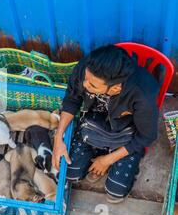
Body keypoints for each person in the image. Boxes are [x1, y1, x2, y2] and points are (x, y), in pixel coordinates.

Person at [52, 44, 159, 204]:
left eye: (92, 85)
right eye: (86, 80)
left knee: (115, 192)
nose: (85, 85)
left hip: (127, 131)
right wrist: (58, 138)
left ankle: (109, 155)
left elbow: (146, 136)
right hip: (94, 121)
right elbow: (72, 99)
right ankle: (95, 148)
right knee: (70, 173)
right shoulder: (87, 68)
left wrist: (108, 160)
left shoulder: (142, 95)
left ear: (115, 89)